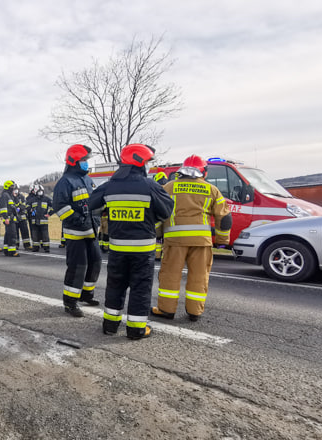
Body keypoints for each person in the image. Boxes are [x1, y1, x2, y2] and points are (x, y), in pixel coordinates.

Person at [89, 144, 174, 339]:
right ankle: (136, 329)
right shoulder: (150, 185)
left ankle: (110, 325)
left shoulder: (110, 185)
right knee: (140, 288)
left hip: (117, 248)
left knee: (115, 285)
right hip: (143, 250)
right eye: (147, 162)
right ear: (139, 162)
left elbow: (92, 204)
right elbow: (167, 210)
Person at [152, 155, 232, 322]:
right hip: (201, 242)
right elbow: (224, 218)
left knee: (170, 275)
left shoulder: (168, 187)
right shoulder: (211, 189)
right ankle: (195, 312)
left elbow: (158, 214)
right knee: (199, 276)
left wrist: (158, 234)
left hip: (175, 241)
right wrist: (222, 241)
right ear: (204, 172)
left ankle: (166, 310)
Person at [53, 144, 101, 317]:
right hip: (76, 232)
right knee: (77, 267)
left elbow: (94, 202)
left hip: (92, 231)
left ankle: (86, 294)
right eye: (83, 160)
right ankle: (70, 302)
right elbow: (60, 207)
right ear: (74, 161)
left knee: (95, 263)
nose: (86, 163)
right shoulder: (65, 182)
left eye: (86, 160)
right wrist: (79, 220)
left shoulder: (88, 180)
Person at [26, 183, 53, 252]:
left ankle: (46, 248)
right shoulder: (32, 199)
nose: (40, 192)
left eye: (41, 191)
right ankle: (35, 247)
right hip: (34, 221)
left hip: (43, 221)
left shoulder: (47, 199)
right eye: (39, 191)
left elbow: (54, 206)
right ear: (36, 192)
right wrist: (30, 210)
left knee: (45, 235)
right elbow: (26, 206)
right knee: (35, 235)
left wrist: (50, 214)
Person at [0, 180, 20, 257]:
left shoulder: (9, 195)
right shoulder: (5, 195)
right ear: (7, 187)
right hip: (8, 219)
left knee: (8, 234)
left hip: (11, 218)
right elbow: (3, 208)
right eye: (11, 187)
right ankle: (12, 251)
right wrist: (6, 218)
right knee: (12, 234)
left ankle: (6, 250)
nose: (13, 188)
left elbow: (13, 206)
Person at [15, 187, 32, 251]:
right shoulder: (11, 197)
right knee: (15, 233)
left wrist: (19, 208)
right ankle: (16, 245)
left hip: (23, 218)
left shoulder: (21, 196)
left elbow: (24, 204)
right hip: (15, 218)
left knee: (25, 232)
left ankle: (27, 245)